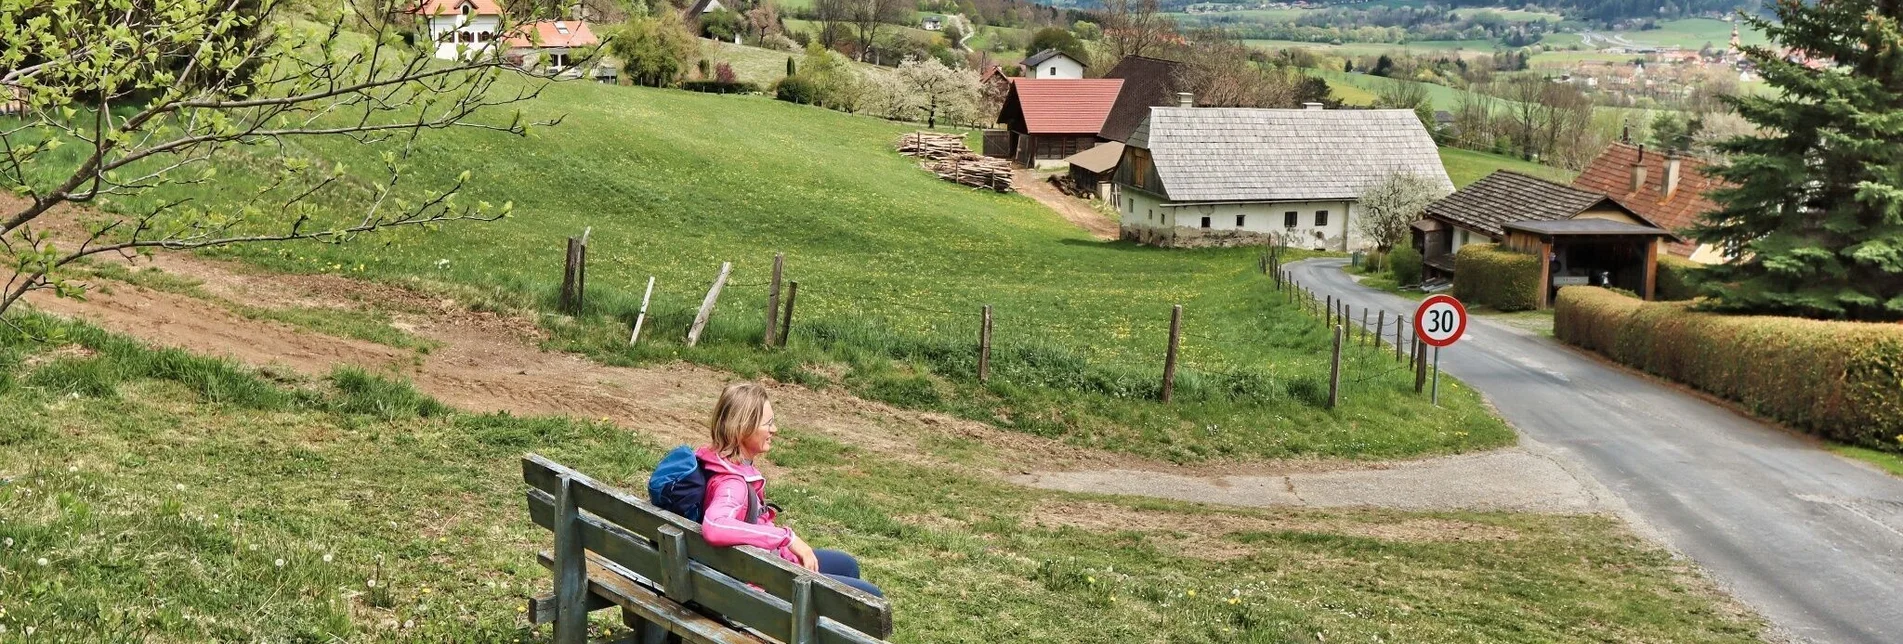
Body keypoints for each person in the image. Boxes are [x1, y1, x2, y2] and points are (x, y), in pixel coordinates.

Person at [696, 382, 884, 598]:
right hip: (761, 587)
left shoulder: (718, 462)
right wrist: (786, 538)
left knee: (846, 565)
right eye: (768, 424)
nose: (774, 430)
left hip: (760, 565)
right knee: (869, 596)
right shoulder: (733, 484)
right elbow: (714, 526)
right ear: (742, 429)